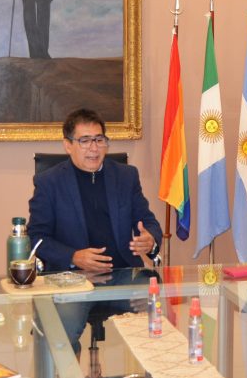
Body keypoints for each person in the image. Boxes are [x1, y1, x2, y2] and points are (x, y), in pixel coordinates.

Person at [28, 108, 162, 352]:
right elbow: (37, 238)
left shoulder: (126, 176)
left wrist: (149, 239)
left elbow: (148, 222)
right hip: (71, 279)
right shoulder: (49, 182)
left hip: (122, 273)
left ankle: (151, 375)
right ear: (68, 145)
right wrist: (73, 257)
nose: (94, 148)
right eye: (85, 140)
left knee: (155, 315)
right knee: (61, 333)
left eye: (99, 140)